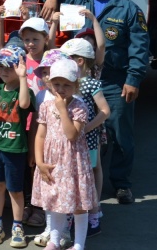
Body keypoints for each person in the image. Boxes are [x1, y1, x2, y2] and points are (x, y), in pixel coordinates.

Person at [40, 0, 149, 205]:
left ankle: (121, 184)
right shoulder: (77, 0)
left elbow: (140, 47)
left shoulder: (129, 9)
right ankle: (87, 178)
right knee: (84, 133)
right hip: (78, 83)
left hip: (114, 81)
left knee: (120, 132)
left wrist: (133, 79)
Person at [32, 58, 97, 250]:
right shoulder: (45, 106)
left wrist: (62, 110)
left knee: (78, 205)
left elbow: (71, 135)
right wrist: (39, 162)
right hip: (53, 162)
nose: (60, 89)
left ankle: (78, 245)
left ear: (75, 85)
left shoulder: (79, 106)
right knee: (54, 201)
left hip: (73, 163)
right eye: (57, 84)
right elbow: (40, 136)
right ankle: (54, 239)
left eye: (66, 85)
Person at [60, 37, 111, 238]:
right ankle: (75, 212)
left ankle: (93, 213)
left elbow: (105, 111)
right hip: (70, 139)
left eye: (67, 58)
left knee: (88, 174)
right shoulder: (65, 84)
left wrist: (87, 128)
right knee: (74, 175)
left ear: (79, 61)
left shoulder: (89, 84)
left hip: (87, 139)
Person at [0, 46, 33, 247]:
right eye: (0, 67)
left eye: (9, 67)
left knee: (15, 190)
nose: (3, 71)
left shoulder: (25, 90)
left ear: (19, 67)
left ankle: (17, 225)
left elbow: (23, 105)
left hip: (15, 149)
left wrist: (23, 78)